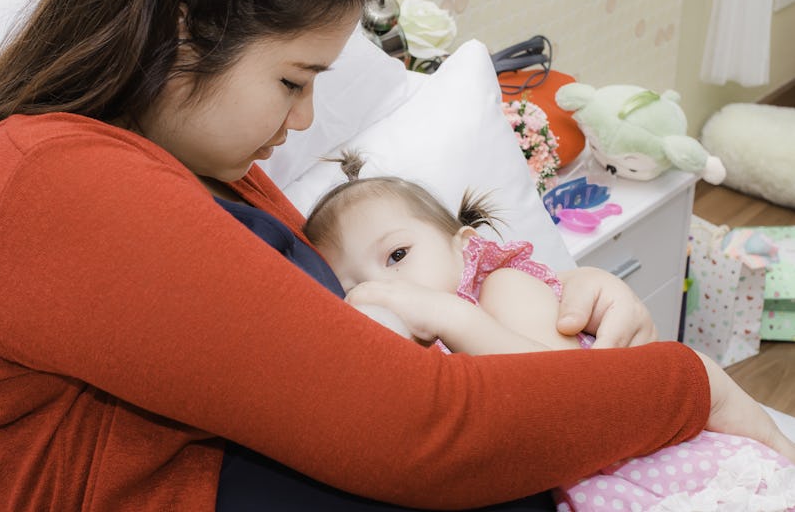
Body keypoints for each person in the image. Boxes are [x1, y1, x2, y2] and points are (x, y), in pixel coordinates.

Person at [0, 0, 768, 510]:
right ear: (183, 32)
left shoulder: (196, 168)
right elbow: (422, 426)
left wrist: (563, 303)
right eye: (292, 81)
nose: (302, 119)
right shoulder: (52, 181)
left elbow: (373, 352)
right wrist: (692, 383)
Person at [303, 153, 795, 510]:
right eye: (354, 287)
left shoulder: (498, 289)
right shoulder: (421, 351)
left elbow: (565, 387)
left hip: (663, 473)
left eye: (396, 256)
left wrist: (450, 316)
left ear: (464, 247)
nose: (383, 289)